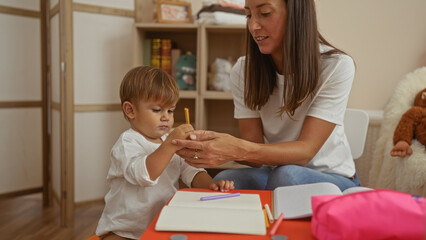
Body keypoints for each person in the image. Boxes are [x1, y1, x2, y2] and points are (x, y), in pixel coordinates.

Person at [172, 0, 361, 192]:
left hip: (333, 178)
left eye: (265, 13)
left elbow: (306, 152)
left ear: (297, 15)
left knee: (287, 176)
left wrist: (234, 148)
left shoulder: (336, 65)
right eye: (248, 15)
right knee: (225, 179)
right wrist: (214, 146)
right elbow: (254, 153)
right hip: (276, 172)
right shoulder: (243, 71)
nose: (253, 26)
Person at [96, 66, 234, 240]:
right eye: (157, 110)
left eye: (170, 110)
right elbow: (144, 175)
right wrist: (170, 145)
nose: (166, 117)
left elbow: (191, 171)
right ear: (130, 110)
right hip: (123, 232)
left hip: (161, 226)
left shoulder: (169, 141)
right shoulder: (127, 143)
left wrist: (212, 187)